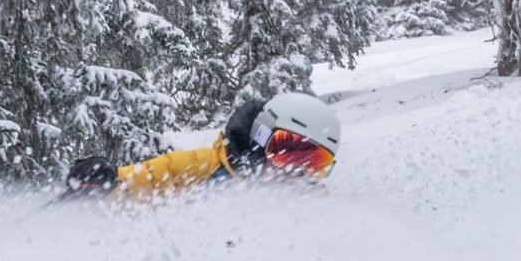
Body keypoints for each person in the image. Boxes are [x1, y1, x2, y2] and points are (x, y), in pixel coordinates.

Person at [64, 91, 341, 198]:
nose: (296, 172)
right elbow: (147, 178)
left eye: (316, 163)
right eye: (284, 152)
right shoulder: (203, 167)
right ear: (260, 137)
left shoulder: (313, 200)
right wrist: (108, 180)